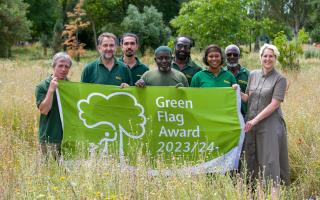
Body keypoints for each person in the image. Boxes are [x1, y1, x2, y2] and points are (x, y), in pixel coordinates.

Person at [236, 44, 289, 186]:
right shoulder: (253, 75)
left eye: (271, 56)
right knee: (251, 158)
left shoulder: (280, 79)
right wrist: (237, 91)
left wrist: (254, 120)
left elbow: (274, 104)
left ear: (275, 58)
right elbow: (248, 98)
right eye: (265, 56)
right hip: (251, 124)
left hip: (270, 125)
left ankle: (274, 192)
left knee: (269, 160)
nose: (267, 59)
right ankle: (255, 191)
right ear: (260, 58)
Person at [35, 52, 72, 159]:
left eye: (66, 66)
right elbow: (44, 110)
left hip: (68, 138)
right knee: (49, 172)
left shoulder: (71, 87)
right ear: (53, 66)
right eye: (60, 66)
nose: (63, 69)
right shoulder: (42, 86)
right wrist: (51, 90)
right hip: (49, 138)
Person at [225, 44, 250, 117]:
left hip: (244, 115)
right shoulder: (221, 73)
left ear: (239, 56)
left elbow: (251, 96)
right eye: (229, 54)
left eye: (235, 55)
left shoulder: (248, 74)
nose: (232, 57)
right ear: (225, 56)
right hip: (226, 114)